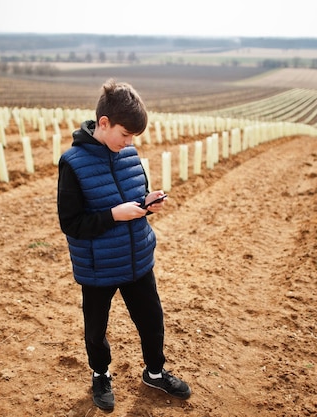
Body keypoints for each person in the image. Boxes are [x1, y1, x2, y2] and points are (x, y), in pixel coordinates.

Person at [57, 79, 191, 411]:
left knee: (151, 319)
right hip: (98, 265)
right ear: (104, 123)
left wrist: (147, 202)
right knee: (97, 329)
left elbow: (133, 198)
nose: (130, 142)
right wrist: (113, 215)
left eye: (133, 137)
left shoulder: (129, 154)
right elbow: (70, 224)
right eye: (125, 134)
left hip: (136, 257)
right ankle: (100, 374)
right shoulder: (72, 163)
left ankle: (155, 373)